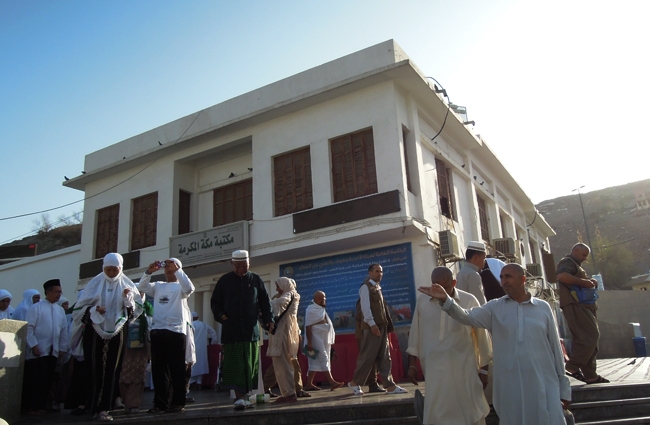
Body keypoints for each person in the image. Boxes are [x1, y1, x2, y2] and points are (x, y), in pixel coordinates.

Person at [420, 263, 571, 425]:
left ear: (522, 279)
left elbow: (556, 349)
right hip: (510, 385)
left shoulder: (543, 308)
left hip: (542, 382)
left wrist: (564, 388)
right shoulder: (495, 307)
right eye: (502, 277)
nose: (504, 281)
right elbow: (466, 316)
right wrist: (446, 300)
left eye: (508, 277)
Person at [407, 267, 492, 425]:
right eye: (435, 285)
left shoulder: (469, 300)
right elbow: (415, 333)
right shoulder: (423, 301)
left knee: (471, 409)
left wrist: (484, 370)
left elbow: (482, 336)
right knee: (437, 411)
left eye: (444, 287)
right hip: (434, 367)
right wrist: (412, 364)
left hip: (464, 367)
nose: (439, 291)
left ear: (454, 283)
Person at [70, 253, 143, 421]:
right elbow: (78, 310)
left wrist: (128, 300)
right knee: (93, 369)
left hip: (117, 330)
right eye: (108, 270)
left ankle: (104, 408)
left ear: (120, 268)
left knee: (112, 369)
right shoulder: (94, 284)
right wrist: (94, 310)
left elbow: (135, 311)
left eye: (114, 270)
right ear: (103, 268)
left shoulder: (127, 285)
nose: (111, 273)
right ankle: (92, 405)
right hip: (95, 331)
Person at [211, 250, 274, 410]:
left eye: (244, 266)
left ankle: (245, 397)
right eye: (237, 266)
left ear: (249, 263)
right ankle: (238, 398)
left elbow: (264, 301)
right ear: (232, 264)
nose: (241, 269)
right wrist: (221, 315)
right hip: (231, 330)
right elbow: (215, 303)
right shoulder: (224, 281)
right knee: (236, 365)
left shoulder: (256, 279)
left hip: (250, 330)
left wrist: (269, 319)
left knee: (249, 365)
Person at [138, 257, 194, 414]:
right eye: (166, 267)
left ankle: (178, 402)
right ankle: (160, 404)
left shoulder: (181, 288)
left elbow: (190, 288)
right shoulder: (158, 286)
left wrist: (178, 270)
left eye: (172, 267)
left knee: (177, 370)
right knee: (159, 370)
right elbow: (142, 287)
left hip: (176, 332)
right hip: (158, 330)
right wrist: (148, 272)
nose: (168, 270)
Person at [348, 264, 407, 396]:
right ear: (370, 273)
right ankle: (355, 383)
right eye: (376, 271)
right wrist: (372, 324)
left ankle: (390, 385)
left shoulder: (377, 288)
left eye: (381, 272)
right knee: (367, 357)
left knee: (385, 357)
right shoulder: (365, 287)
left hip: (382, 326)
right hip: (372, 327)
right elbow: (365, 308)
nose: (379, 274)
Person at [556, 243, 608, 384]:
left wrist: (589, 282)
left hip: (583, 305)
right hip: (575, 304)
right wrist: (585, 283)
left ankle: (590, 375)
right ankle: (572, 366)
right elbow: (562, 276)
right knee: (590, 336)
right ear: (576, 250)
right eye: (584, 255)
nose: (585, 258)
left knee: (589, 340)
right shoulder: (568, 262)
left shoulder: (576, 265)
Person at [22, 279, 69, 415]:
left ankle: (43, 405)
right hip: (39, 351)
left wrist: (62, 348)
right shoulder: (36, 308)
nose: (58, 295)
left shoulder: (60, 310)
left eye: (60, 292)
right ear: (48, 292)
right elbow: (29, 328)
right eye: (56, 292)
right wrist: (33, 345)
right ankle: (32, 407)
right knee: (36, 380)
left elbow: (63, 331)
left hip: (52, 351)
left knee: (48, 379)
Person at [266, 277, 301, 403]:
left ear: (284, 285)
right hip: (284, 331)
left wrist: (263, 303)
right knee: (281, 363)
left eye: (278, 286)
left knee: (283, 363)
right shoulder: (290, 294)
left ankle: (289, 393)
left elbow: (278, 304)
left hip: (284, 332)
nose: (277, 289)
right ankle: (288, 392)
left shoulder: (290, 294)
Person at [118, 292, 153, 414]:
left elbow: (150, 328)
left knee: (138, 376)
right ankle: (124, 400)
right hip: (124, 348)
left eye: (142, 294)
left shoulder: (147, 309)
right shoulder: (123, 310)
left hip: (141, 349)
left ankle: (134, 404)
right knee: (123, 375)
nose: (140, 296)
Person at [304, 291, 344, 391]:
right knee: (324, 357)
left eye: (324, 298)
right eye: (320, 298)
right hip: (315, 339)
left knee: (314, 361)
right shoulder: (310, 309)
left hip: (323, 339)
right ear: (315, 299)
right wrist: (309, 343)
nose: (323, 300)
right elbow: (308, 327)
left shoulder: (321, 309)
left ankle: (309, 384)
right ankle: (332, 382)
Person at [190, 312, 218, 388]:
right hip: (203, 348)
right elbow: (213, 332)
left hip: (193, 347)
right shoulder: (203, 325)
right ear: (198, 317)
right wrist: (213, 342)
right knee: (201, 365)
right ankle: (199, 382)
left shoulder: (190, 325)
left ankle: (192, 382)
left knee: (193, 364)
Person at [456, 241, 487, 305]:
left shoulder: (460, 273)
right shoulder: (473, 274)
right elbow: (480, 303)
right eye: (484, 258)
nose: (485, 262)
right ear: (476, 258)